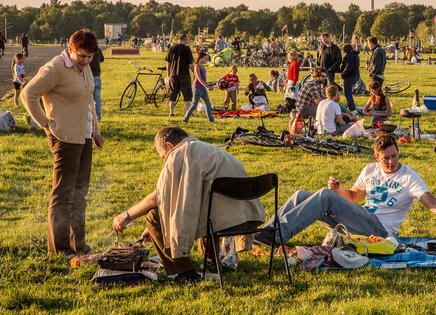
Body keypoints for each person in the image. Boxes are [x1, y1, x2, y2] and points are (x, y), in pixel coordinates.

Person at [254, 135, 436, 246]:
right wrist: (339, 191)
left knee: (324, 196)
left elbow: (432, 203)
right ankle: (263, 232)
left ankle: (277, 236)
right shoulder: (370, 170)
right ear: (377, 157)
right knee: (301, 194)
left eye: (395, 156)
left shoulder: (409, 176)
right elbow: (353, 197)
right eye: (386, 158)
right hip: (361, 219)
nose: (392, 161)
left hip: (380, 231)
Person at [112, 127, 265, 284]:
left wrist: (125, 216)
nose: (164, 160)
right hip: (248, 219)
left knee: (154, 217)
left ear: (170, 146)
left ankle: (184, 272)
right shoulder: (210, 149)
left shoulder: (180, 153)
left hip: (225, 222)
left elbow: (157, 197)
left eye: (163, 156)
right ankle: (211, 262)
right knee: (210, 206)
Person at [21, 29, 104, 256]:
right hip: (65, 139)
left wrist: (95, 131)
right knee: (63, 194)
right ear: (71, 49)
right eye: (81, 56)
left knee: (80, 193)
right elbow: (28, 94)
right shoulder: (55, 67)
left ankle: (79, 245)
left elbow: (89, 103)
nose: (85, 61)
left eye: (89, 57)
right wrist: (46, 124)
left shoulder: (85, 70)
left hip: (84, 137)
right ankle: (59, 249)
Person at [165, 34, 194, 117]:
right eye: (187, 40)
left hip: (173, 74)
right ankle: (187, 112)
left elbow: (168, 62)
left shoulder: (172, 48)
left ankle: (171, 112)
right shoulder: (187, 49)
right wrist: (195, 73)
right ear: (184, 40)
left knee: (173, 93)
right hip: (184, 74)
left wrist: (168, 74)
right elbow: (190, 64)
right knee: (186, 93)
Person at [183, 52, 215, 123]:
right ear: (201, 58)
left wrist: (209, 85)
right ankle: (185, 119)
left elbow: (204, 79)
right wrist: (206, 86)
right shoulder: (197, 66)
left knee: (208, 104)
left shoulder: (203, 66)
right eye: (205, 58)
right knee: (194, 105)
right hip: (197, 88)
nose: (206, 59)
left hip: (203, 88)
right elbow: (199, 78)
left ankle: (211, 120)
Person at [340, 43, 360, 114]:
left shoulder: (350, 56)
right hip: (356, 75)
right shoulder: (355, 55)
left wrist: (343, 74)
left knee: (347, 94)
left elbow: (348, 67)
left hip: (349, 76)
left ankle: (352, 109)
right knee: (348, 93)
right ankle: (349, 106)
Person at [89, 47, 104, 121]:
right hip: (97, 76)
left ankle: (88, 117)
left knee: (87, 98)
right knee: (97, 98)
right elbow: (102, 59)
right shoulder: (98, 49)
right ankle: (98, 118)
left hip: (89, 77)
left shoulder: (86, 50)